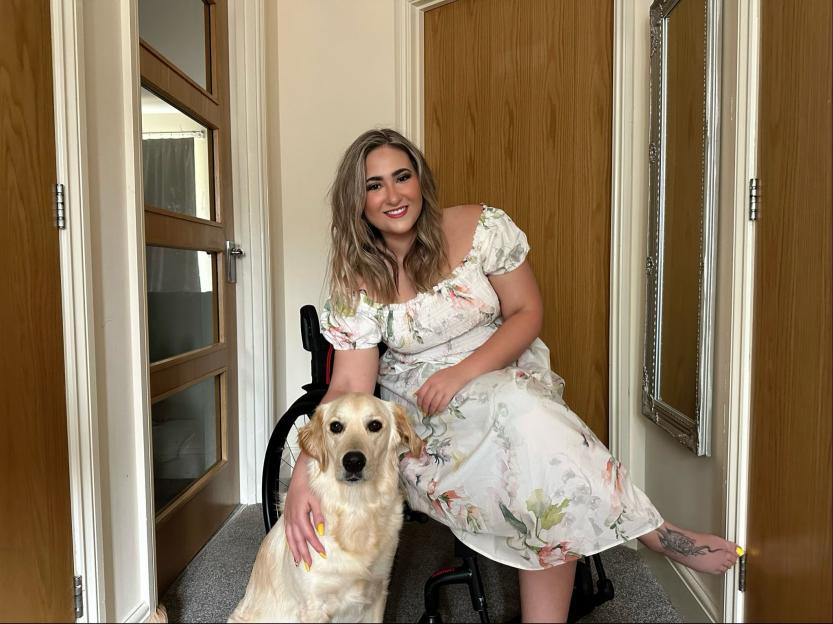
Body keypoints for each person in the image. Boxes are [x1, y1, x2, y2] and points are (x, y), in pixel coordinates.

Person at [282, 128, 740, 623]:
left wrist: (462, 373)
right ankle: (650, 529)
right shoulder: (358, 279)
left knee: (527, 421)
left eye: (402, 177)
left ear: (421, 181)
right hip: (426, 408)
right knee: (533, 434)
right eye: (374, 185)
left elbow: (526, 311)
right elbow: (351, 385)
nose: (393, 195)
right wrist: (305, 473)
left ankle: (633, 541)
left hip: (501, 371)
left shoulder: (481, 227)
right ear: (358, 201)